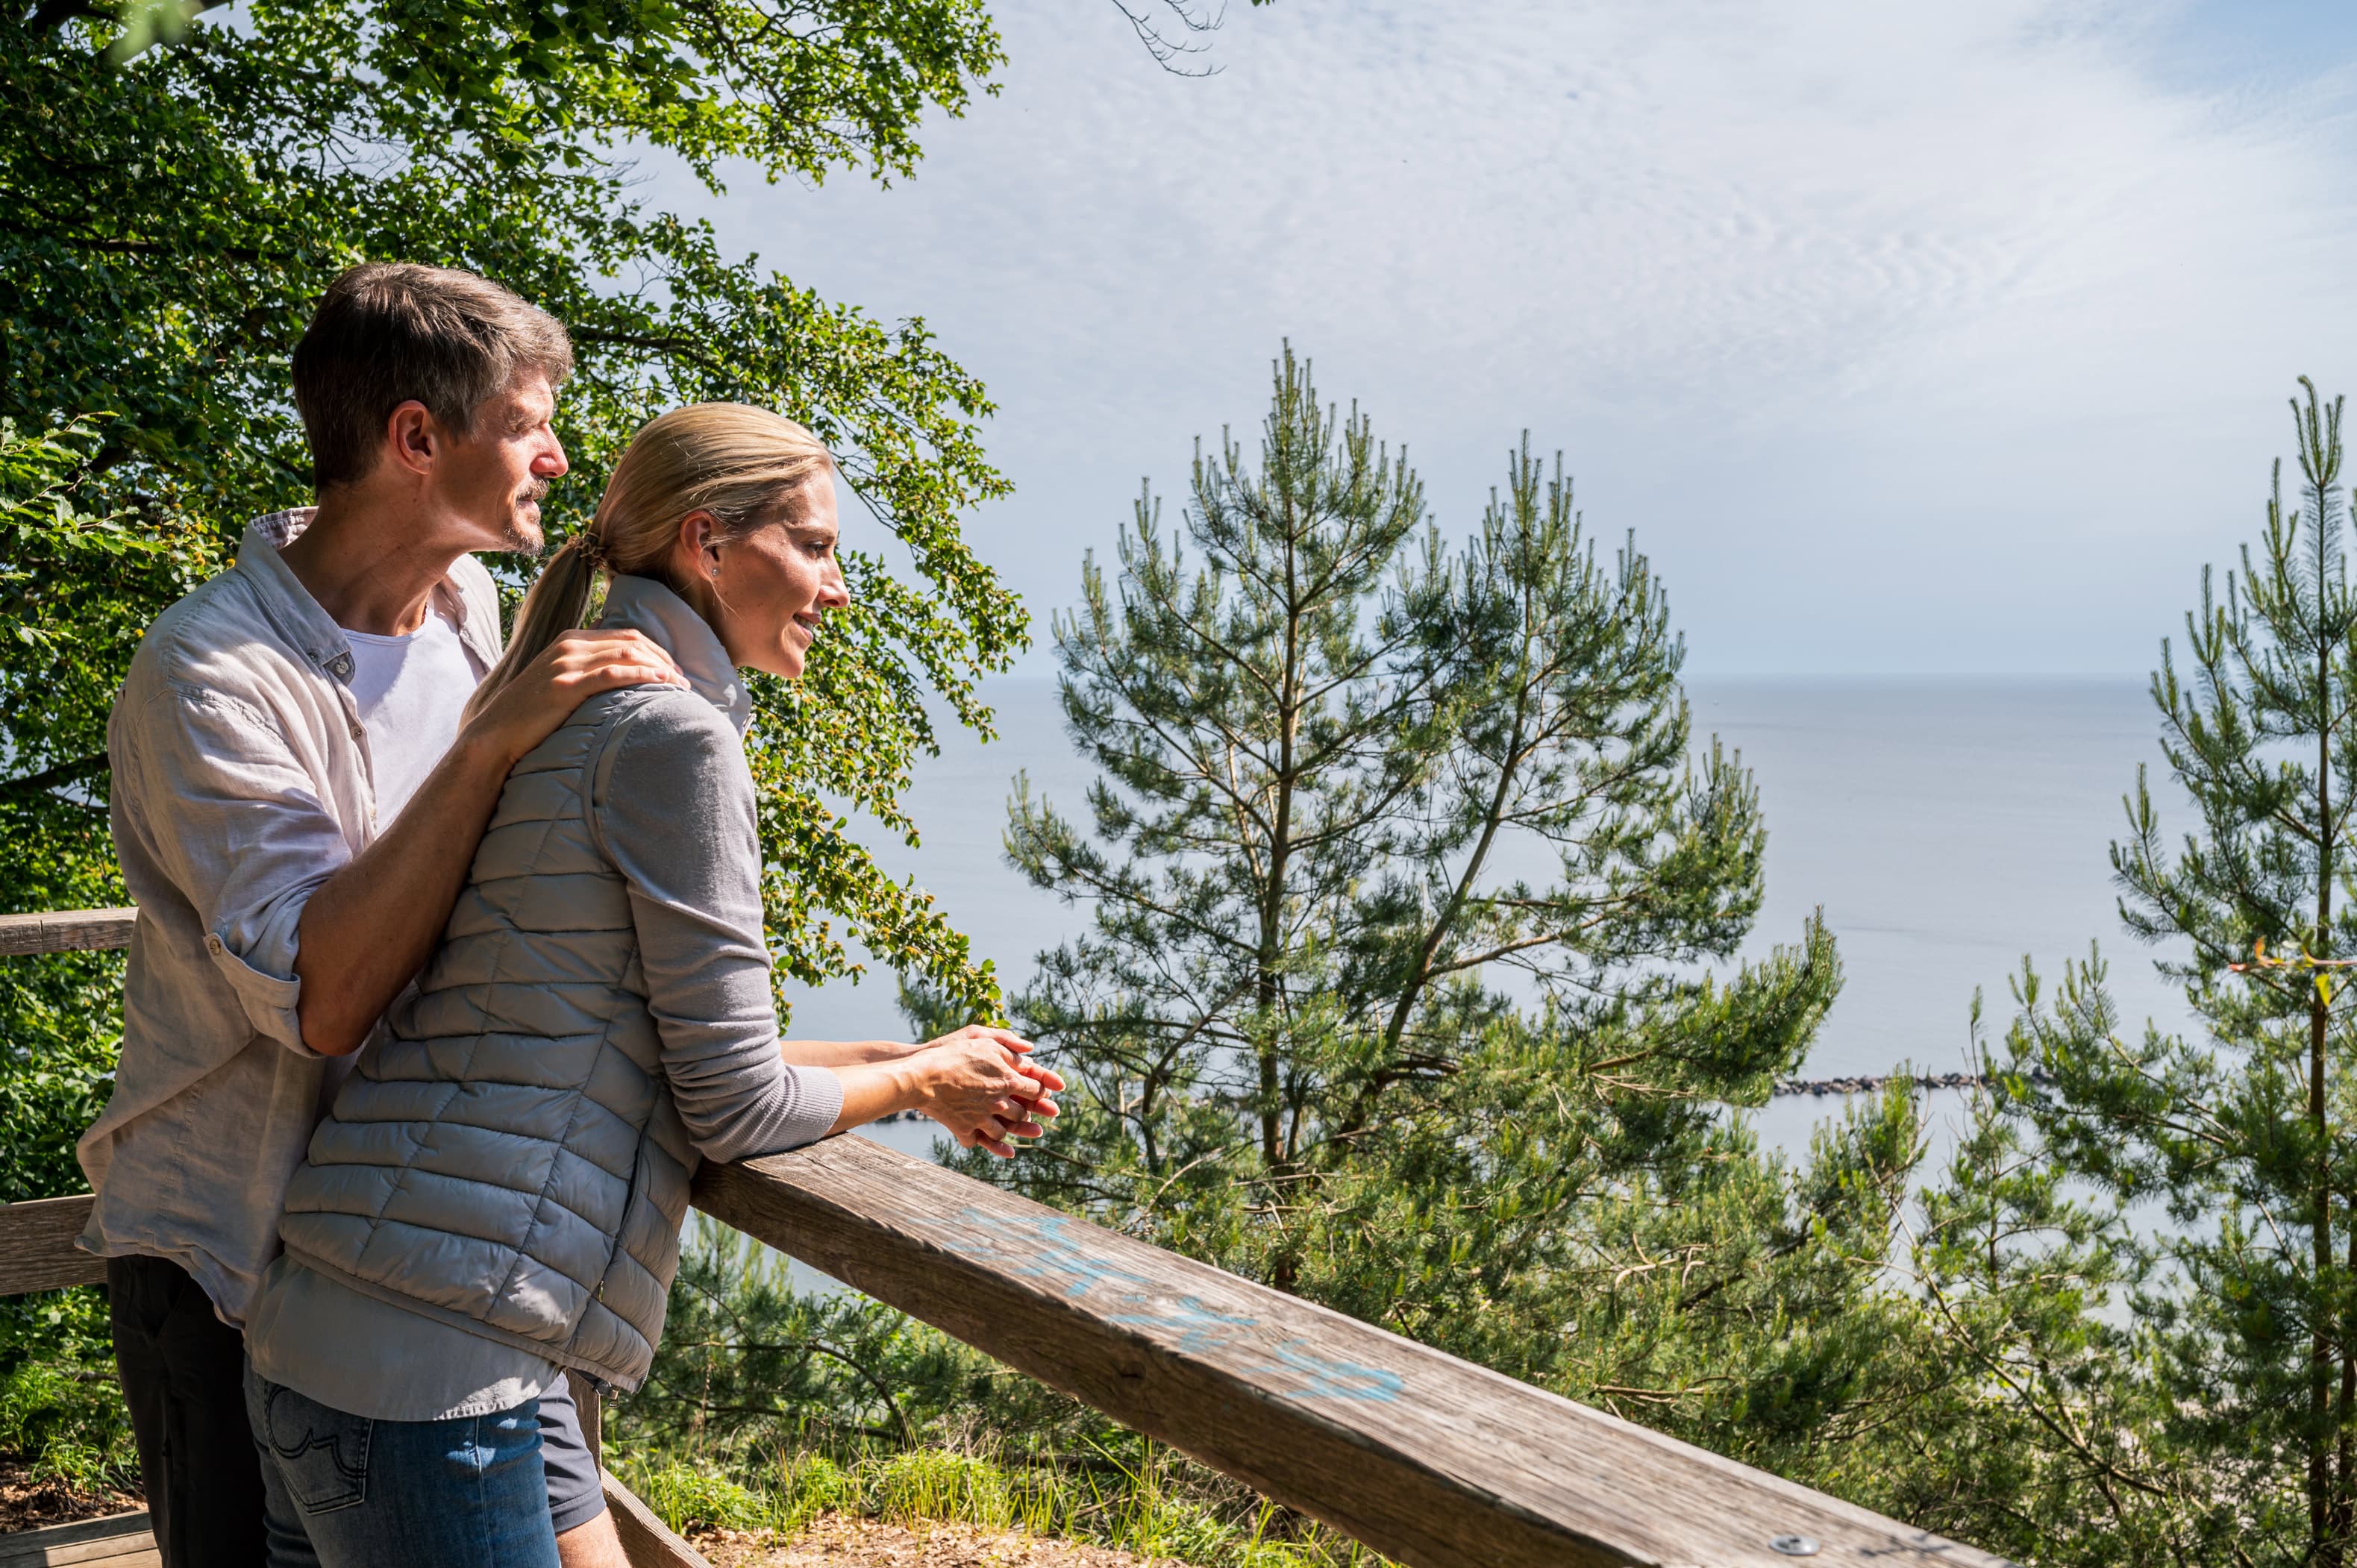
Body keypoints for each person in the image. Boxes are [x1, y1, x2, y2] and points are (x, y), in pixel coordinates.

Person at [238, 402, 1062, 1567]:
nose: (836, 588)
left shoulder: (570, 701)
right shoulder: (673, 734)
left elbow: (631, 1031)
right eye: (815, 548)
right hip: (439, 1363)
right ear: (708, 543)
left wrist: (905, 1069)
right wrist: (922, 1073)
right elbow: (734, 1102)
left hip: (373, 1318)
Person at [80, 263, 688, 1568]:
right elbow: (324, 995)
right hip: (227, 1258)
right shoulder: (209, 674)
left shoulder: (479, 618)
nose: (556, 451)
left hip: (436, 1266)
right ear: (417, 438)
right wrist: (488, 748)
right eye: (528, 422)